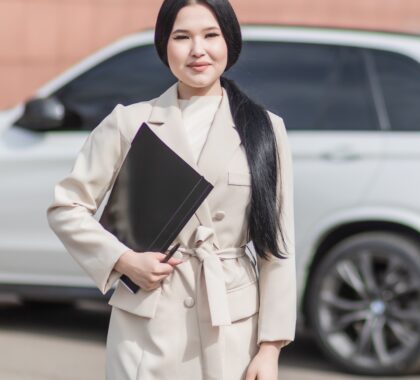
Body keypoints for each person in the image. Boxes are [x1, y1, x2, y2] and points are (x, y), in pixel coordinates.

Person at [46, 0, 296, 379]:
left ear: (229, 40)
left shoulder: (264, 128)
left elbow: (278, 248)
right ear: (164, 46)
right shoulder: (129, 123)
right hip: (147, 324)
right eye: (182, 37)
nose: (198, 49)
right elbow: (66, 207)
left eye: (211, 35)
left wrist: (270, 349)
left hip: (231, 328)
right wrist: (123, 260)